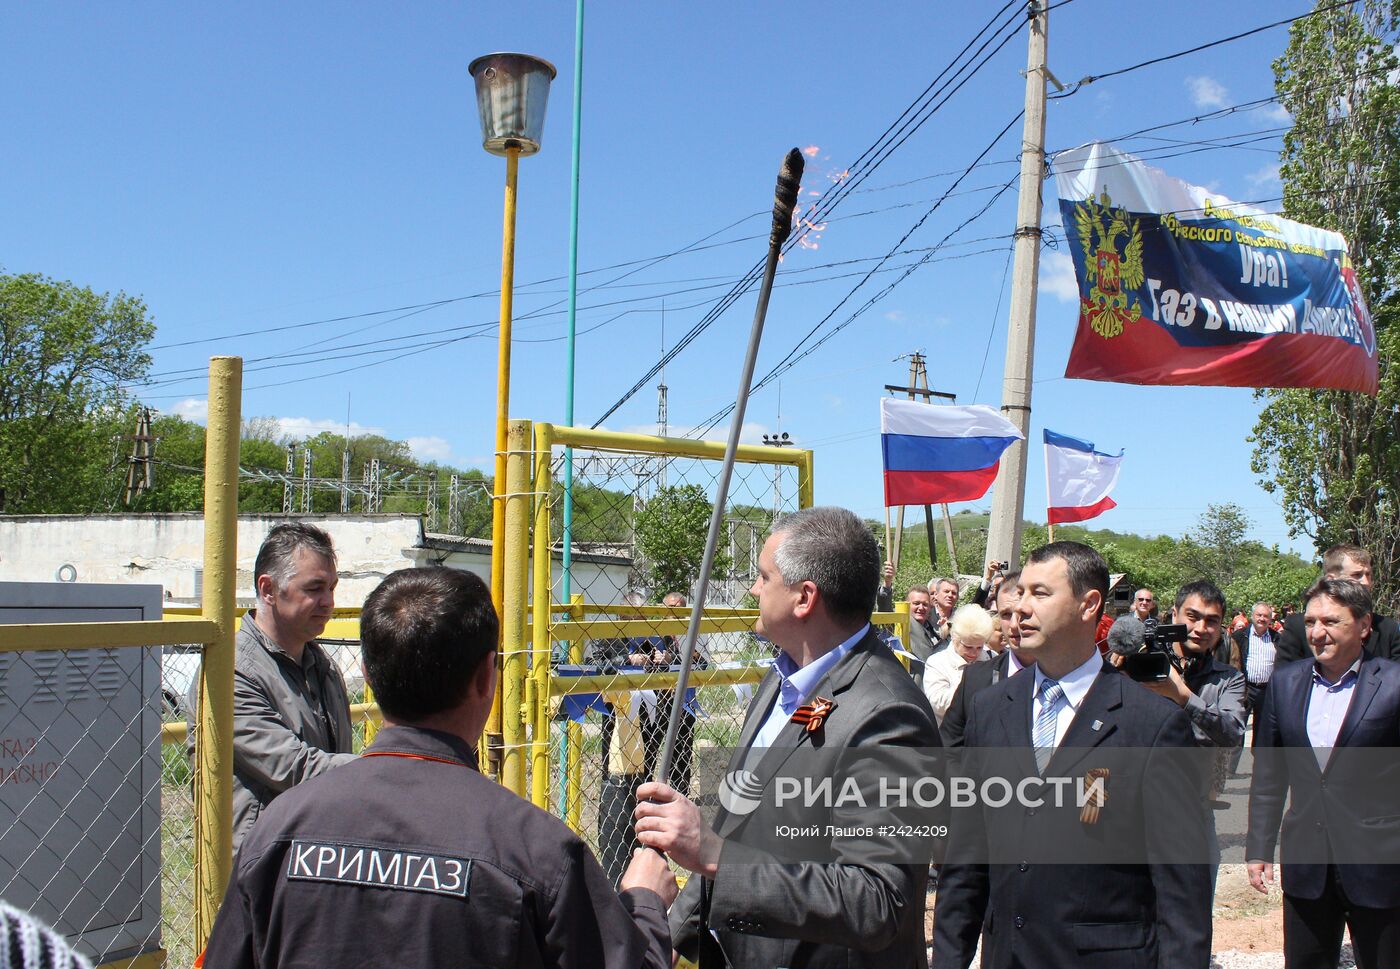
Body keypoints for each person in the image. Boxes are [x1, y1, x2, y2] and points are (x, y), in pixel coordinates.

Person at [201, 567, 677, 969]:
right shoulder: (538, 852)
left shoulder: (279, 831)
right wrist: (645, 903)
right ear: (488, 676)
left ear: (367, 674)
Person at [633, 506, 940, 969]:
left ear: (804, 598)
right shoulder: (784, 678)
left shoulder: (889, 715)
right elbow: (736, 826)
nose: (754, 589)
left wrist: (716, 856)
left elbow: (877, 901)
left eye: (763, 577)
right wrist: (672, 932)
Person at [932, 542, 1213, 969]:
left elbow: (1181, 895)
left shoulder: (1151, 726)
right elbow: (968, 858)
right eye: (1019, 592)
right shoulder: (990, 709)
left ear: (1089, 605)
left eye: (1039, 594)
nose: (1019, 607)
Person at [1247, 578, 1400, 969]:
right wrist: (1259, 848)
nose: (1317, 633)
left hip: (1379, 864)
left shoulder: (1393, 684)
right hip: (1306, 864)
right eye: (1311, 622)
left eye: (1330, 621)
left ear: (1364, 626)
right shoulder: (1285, 683)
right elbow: (1269, 776)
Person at [187, 522, 356, 852]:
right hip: (258, 865)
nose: (328, 602)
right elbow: (294, 767)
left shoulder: (323, 667)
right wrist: (387, 767)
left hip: (314, 855)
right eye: (314, 588)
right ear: (268, 589)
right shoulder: (231, 671)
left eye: (332, 588)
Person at [1140, 580, 1247, 802]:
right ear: (1174, 615)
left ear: (1220, 628)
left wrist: (1184, 697)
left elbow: (1232, 733)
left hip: (1193, 799)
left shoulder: (1229, 678)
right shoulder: (1142, 665)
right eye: (1193, 617)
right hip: (1138, 794)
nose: (1200, 628)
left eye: (1211, 621)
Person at [939, 573, 1029, 752]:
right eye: (1005, 614)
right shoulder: (975, 678)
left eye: (1022, 614)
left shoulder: (1066, 678)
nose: (1013, 625)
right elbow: (949, 749)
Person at [1277, 544, 1400, 664]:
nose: (1366, 582)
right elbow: (1285, 679)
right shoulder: (1298, 627)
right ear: (1331, 579)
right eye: (1357, 575)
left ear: (1365, 624)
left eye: (1368, 575)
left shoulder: (1388, 629)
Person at [923, 604, 995, 725]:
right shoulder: (937, 662)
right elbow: (937, 703)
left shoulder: (992, 657)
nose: (974, 653)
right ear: (954, 638)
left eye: (979, 647)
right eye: (968, 646)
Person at [1232, 601, 1279, 731]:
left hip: (1267, 690)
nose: (1262, 619)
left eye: (1265, 616)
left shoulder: (1277, 638)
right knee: (1238, 727)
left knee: (1263, 732)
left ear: (1270, 619)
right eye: (1259, 615)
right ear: (1252, 616)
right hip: (1245, 688)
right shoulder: (1239, 636)